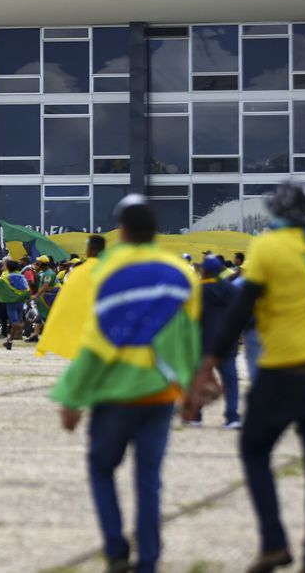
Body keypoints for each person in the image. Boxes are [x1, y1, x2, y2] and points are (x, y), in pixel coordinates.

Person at [187, 103, 305, 573]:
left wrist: (207, 364)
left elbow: (239, 311)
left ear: (276, 213)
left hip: (283, 374)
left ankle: (274, 541)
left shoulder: (268, 248)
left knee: (255, 450)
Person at [51, 195, 201, 573]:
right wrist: (191, 389)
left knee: (102, 469)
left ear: (122, 230)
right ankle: (148, 561)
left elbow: (97, 340)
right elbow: (187, 338)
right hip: (160, 393)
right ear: (155, 230)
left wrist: (72, 396)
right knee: (148, 481)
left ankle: (117, 551)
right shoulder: (181, 274)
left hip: (115, 394)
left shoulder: (106, 271)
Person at [187, 255, 240, 429]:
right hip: (227, 342)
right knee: (230, 380)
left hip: (202, 342)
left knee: (199, 379)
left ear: (204, 270)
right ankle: (232, 416)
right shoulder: (231, 290)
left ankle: (196, 416)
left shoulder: (195, 290)